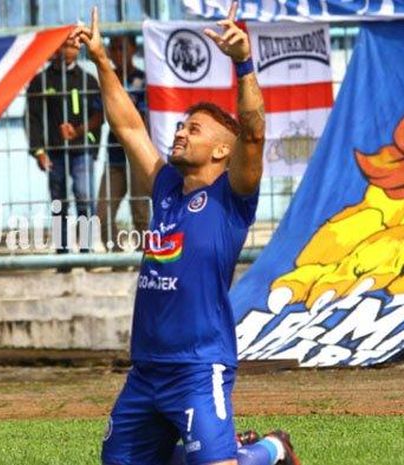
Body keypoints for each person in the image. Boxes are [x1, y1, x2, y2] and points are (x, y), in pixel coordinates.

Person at [69, 4, 301, 465]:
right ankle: (234, 448)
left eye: (193, 129)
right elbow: (128, 125)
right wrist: (100, 58)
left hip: (198, 367)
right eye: (181, 126)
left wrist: (243, 63)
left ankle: (269, 450)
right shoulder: (167, 186)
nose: (179, 133)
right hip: (146, 370)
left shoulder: (231, 197)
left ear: (220, 150)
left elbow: (253, 133)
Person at [26, 42, 103, 264]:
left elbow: (100, 115)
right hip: (54, 152)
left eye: (74, 46)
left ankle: (86, 252)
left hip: (82, 150)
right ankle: (62, 255)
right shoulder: (41, 81)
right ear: (56, 48)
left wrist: (79, 131)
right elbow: (33, 119)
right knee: (58, 202)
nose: (71, 50)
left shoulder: (87, 79)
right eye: (66, 45)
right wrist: (39, 151)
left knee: (84, 198)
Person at [96, 34, 150, 252]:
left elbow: (148, 118)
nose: (118, 53)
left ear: (133, 50)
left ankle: (146, 260)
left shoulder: (145, 80)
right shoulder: (108, 79)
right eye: (114, 48)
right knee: (102, 212)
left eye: (122, 48)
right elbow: (98, 113)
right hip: (115, 156)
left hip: (138, 155)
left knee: (140, 212)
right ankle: (117, 257)